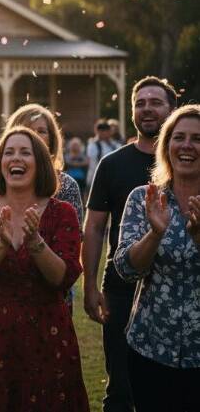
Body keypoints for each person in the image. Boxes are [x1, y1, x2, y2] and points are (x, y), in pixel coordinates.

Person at [0, 127, 89, 412]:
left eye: (25, 152)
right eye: (9, 152)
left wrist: (35, 242)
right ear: (0, 163)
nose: (16, 158)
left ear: (39, 162)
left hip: (48, 338)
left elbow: (62, 278)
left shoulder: (61, 212)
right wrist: (2, 244)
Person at [83, 76, 176, 412]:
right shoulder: (113, 164)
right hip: (122, 289)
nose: (147, 109)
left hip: (177, 289)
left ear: (171, 108)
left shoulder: (187, 160)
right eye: (140, 103)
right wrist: (90, 286)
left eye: (156, 102)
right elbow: (94, 228)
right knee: (120, 389)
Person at [114, 105, 200, 412]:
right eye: (179, 137)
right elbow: (124, 268)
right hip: (150, 347)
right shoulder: (144, 198)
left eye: (197, 138)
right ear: (166, 146)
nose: (187, 145)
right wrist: (155, 234)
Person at [6, 104, 84, 224]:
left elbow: (74, 238)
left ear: (51, 140)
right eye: (27, 129)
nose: (34, 136)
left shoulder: (66, 185)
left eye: (41, 131)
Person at [86, 118, 121, 185]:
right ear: (98, 131)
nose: (106, 133)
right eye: (103, 131)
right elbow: (93, 163)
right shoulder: (93, 144)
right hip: (95, 179)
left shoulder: (115, 144)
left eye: (107, 131)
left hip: (112, 179)